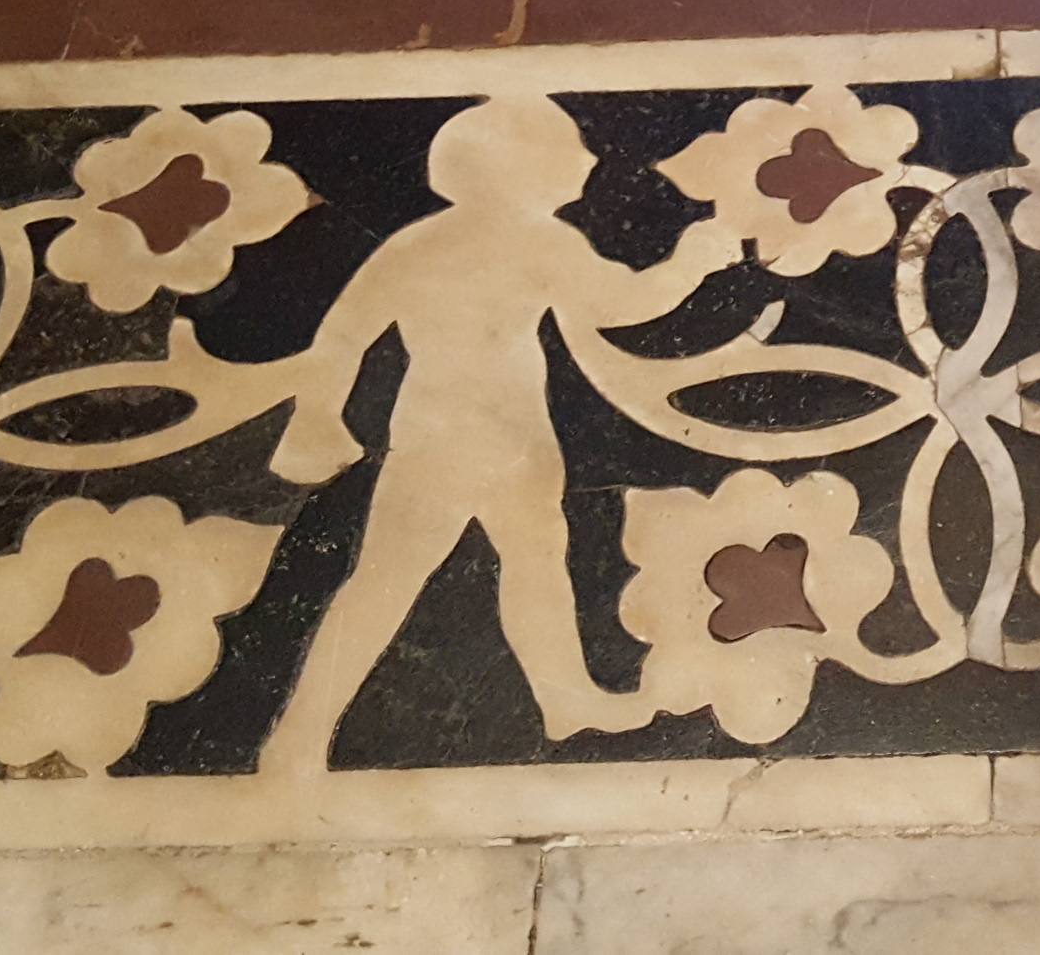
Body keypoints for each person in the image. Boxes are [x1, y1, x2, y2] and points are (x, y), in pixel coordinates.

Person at [258, 93, 737, 774]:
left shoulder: (415, 244)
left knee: (469, 568)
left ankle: (557, 699)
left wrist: (320, 413)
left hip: (449, 435)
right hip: (488, 439)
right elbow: (621, 302)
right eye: (568, 149)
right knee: (462, 571)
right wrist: (691, 263)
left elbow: (342, 335)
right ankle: (307, 731)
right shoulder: (538, 240)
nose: (587, 160)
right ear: (519, 169)